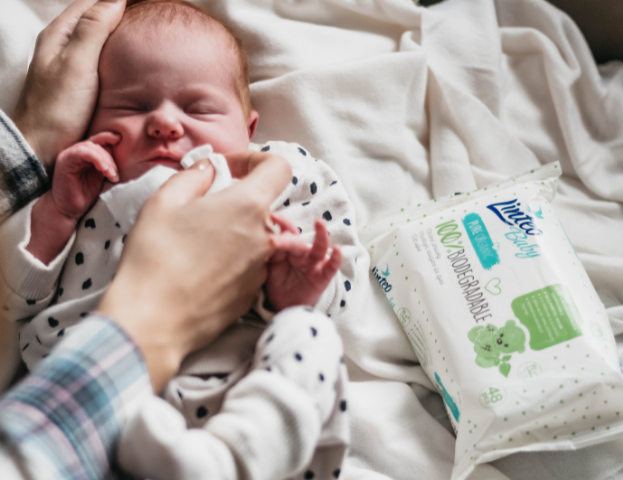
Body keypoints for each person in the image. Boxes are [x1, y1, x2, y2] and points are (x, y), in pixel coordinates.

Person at [2, 1, 361, 478]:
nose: (165, 124)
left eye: (199, 108)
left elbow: (339, 258)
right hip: (103, 402)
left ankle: (238, 454)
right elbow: (16, 298)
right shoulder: (83, 187)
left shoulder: (278, 175)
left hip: (242, 390)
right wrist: (57, 214)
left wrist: (299, 287)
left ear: (248, 129)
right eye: (131, 106)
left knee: (310, 337)